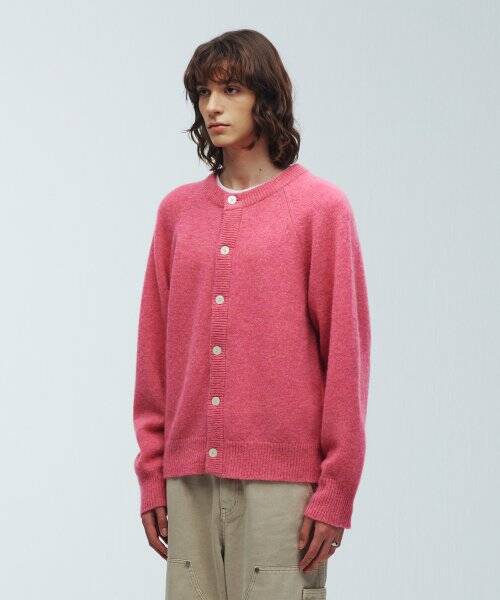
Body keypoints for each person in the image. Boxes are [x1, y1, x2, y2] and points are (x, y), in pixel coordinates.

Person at [132, 28, 371, 600]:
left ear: (266, 98)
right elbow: (154, 355)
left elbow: (346, 358)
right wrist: (153, 474)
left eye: (231, 90)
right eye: (203, 93)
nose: (212, 107)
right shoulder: (177, 213)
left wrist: (335, 490)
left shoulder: (320, 209)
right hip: (189, 482)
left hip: (284, 487)